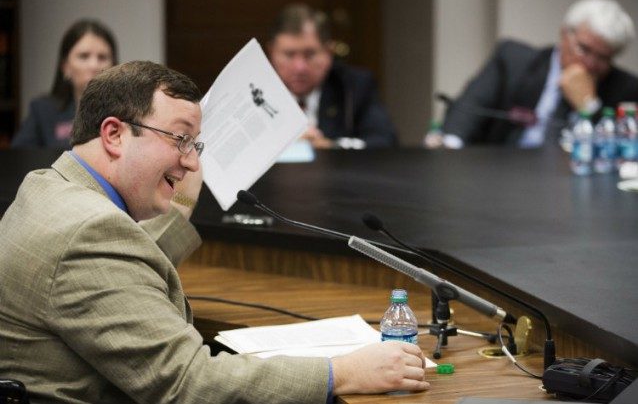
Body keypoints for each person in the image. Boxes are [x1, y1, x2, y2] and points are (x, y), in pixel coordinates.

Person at [0, 61, 428, 403]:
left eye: (195, 145)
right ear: (114, 133)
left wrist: (180, 204)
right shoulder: (89, 233)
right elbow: (188, 384)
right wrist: (343, 372)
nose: (190, 162)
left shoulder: (48, 188)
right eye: (180, 139)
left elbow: (120, 277)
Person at [430, 0, 638, 148]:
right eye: (584, 49)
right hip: (501, 176)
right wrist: (449, 145)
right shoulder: (513, 60)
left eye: (603, 58)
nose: (591, 63)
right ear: (565, 34)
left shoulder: (625, 87)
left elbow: (617, 151)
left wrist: (589, 106)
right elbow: (470, 108)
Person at [268, 3, 397, 149]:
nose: (300, 67)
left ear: (328, 52)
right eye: (289, 55)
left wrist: (331, 147)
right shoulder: (254, 91)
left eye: (309, 54)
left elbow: (385, 142)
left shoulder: (354, 85)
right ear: (272, 52)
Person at [11, 19, 117, 148]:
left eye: (102, 57)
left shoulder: (130, 111)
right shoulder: (43, 111)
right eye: (84, 56)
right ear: (65, 66)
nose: (94, 66)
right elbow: (19, 158)